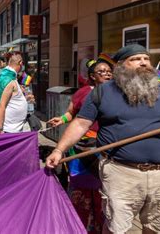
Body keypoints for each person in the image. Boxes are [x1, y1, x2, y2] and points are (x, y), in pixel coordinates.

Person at [46, 44, 160, 234]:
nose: (143, 62)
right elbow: (80, 123)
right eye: (136, 59)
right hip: (121, 173)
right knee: (116, 229)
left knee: (158, 229)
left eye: (146, 58)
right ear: (120, 66)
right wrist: (58, 150)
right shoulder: (102, 92)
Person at [47, 56, 113, 233]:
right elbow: (71, 113)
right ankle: (78, 225)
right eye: (102, 72)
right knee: (81, 190)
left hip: (105, 149)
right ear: (92, 76)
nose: (107, 74)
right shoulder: (83, 93)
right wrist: (61, 120)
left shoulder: (117, 93)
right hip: (82, 149)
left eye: (109, 72)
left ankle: (100, 227)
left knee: (103, 192)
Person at [0, 53, 28, 134]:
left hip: (14, 128)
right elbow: (1, 104)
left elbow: (11, 99)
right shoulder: (9, 80)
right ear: (20, 62)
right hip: (9, 130)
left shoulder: (10, 77)